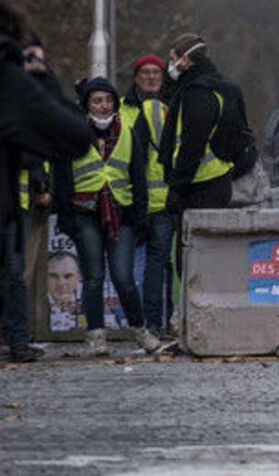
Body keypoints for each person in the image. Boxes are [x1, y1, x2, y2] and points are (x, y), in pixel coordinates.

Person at [0, 1, 93, 362]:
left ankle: (17, 338)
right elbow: (73, 135)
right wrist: (38, 72)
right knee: (14, 276)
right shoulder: (9, 82)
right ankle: (17, 340)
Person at [52, 77, 158, 355]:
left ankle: (140, 329)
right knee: (94, 277)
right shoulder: (72, 133)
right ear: (87, 105)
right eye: (97, 101)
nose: (103, 106)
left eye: (108, 100)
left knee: (124, 277)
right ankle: (96, 335)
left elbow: (138, 175)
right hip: (84, 212)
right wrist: (65, 215)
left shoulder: (128, 132)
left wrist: (140, 215)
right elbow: (61, 175)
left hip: (121, 212)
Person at [158, 34, 237, 291]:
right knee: (199, 258)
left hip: (203, 184)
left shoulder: (197, 93)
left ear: (185, 60)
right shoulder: (210, 84)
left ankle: (199, 325)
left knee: (192, 261)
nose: (169, 66)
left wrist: (177, 187)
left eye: (172, 60)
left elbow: (192, 145)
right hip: (210, 182)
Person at [121, 53, 173, 337]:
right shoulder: (120, 109)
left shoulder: (170, 108)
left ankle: (155, 322)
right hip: (128, 198)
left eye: (157, 72)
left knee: (160, 262)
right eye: (146, 72)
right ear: (136, 77)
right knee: (129, 266)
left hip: (162, 200)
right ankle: (146, 322)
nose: (152, 77)